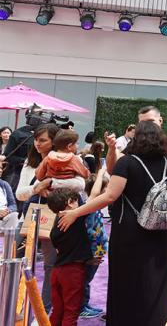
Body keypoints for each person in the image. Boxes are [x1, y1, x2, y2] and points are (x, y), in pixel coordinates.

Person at [56, 121, 167, 326]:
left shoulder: (127, 163)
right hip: (162, 230)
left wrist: (76, 212)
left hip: (131, 232)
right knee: (156, 279)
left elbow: (109, 196)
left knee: (127, 280)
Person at [16, 123, 85, 314]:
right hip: (29, 215)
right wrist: (37, 188)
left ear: (54, 141)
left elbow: (80, 184)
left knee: (50, 264)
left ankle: (44, 310)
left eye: (43, 140)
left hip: (57, 219)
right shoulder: (30, 164)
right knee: (16, 257)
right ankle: (15, 303)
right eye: (36, 140)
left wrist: (52, 182)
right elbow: (20, 194)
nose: (38, 144)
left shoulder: (71, 159)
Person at [48, 188, 92, 326]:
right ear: (69, 202)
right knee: (71, 313)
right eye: (77, 202)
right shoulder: (75, 218)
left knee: (57, 311)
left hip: (57, 271)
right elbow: (94, 196)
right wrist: (101, 172)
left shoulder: (55, 227)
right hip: (72, 272)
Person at [79, 167, 108, 318]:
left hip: (96, 248)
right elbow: (90, 231)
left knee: (88, 278)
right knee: (85, 278)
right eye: (106, 188)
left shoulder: (95, 207)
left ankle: (85, 303)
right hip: (91, 249)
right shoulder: (90, 206)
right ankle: (81, 307)